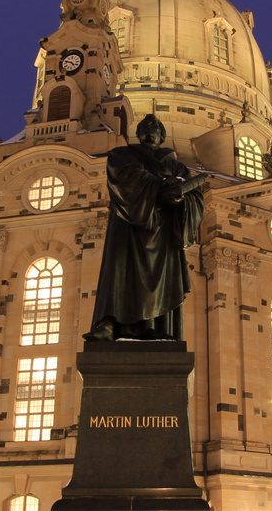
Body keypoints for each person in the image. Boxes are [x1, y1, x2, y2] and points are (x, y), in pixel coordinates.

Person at [84, 114, 205, 341]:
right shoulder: (122, 155)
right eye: (145, 128)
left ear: (162, 136)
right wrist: (161, 186)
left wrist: (179, 199)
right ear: (137, 134)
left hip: (163, 232)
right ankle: (109, 324)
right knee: (119, 272)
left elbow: (195, 199)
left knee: (161, 281)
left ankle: (160, 329)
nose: (150, 132)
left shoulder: (177, 166)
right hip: (128, 224)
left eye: (155, 129)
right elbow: (126, 180)